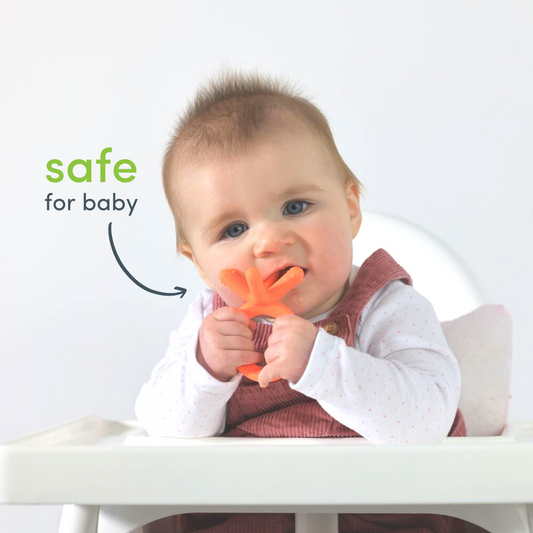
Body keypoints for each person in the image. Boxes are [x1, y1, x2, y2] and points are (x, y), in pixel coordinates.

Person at [135, 68, 467, 533]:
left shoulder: (387, 305)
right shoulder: (209, 325)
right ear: (199, 264)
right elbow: (162, 425)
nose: (269, 241)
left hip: (380, 516)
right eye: (234, 229)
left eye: (295, 207)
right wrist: (206, 370)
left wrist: (323, 364)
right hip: (243, 514)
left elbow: (428, 418)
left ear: (350, 208)